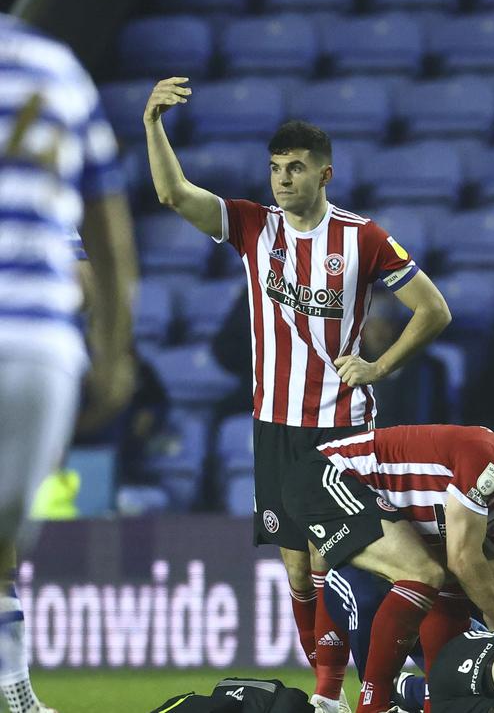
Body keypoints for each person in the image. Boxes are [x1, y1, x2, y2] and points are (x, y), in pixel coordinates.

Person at [143, 81, 453, 711]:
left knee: (333, 563)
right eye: (275, 169)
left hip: (339, 431)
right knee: (296, 571)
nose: (282, 180)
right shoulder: (254, 227)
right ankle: (335, 690)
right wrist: (153, 124)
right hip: (273, 426)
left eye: (295, 169)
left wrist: (379, 365)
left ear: (324, 173)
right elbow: (173, 194)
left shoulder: (362, 238)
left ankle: (346, 690)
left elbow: (434, 309)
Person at [0, 14, 137, 713]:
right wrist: (113, 354)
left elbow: (88, 270)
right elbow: (105, 256)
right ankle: (15, 690)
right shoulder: (51, 67)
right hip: (37, 354)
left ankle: (14, 687)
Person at [289, 420, 494, 713]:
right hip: (327, 475)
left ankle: (429, 703)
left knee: (451, 597)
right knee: (425, 574)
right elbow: (463, 558)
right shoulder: (486, 455)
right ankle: (374, 705)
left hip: (376, 510)